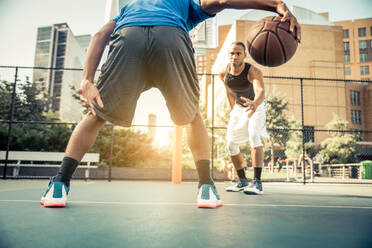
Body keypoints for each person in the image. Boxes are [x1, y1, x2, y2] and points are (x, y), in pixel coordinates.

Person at [40, 0, 301, 208]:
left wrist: (87, 79)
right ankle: (206, 187)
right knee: (192, 117)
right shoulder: (184, 3)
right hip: (171, 37)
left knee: (95, 115)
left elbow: (99, 35)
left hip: (128, 37)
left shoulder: (131, 7)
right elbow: (224, 0)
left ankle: (60, 184)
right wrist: (277, 4)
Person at [219, 41, 270, 195]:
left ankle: (257, 183)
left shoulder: (253, 71)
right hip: (239, 109)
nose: (234, 56)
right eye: (232, 53)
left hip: (257, 107)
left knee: (254, 136)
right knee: (231, 145)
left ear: (244, 55)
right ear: (228, 55)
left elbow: (260, 90)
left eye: (238, 53)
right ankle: (242, 181)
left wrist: (255, 103)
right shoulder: (224, 73)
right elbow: (229, 92)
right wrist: (233, 109)